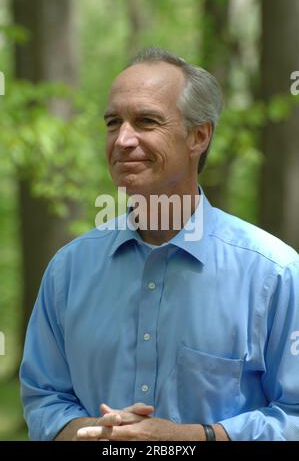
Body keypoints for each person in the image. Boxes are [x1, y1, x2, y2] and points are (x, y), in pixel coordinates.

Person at [20, 47, 299, 441]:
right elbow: (43, 398)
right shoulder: (68, 270)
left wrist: (190, 439)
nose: (122, 139)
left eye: (146, 121)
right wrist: (97, 433)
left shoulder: (274, 273)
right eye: (113, 122)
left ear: (198, 137)